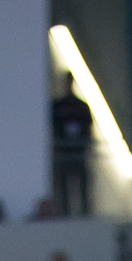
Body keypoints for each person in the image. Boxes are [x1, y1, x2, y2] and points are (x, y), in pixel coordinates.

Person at [51, 71, 94, 215]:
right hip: (63, 154)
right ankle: (65, 212)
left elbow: (88, 129)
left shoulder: (81, 107)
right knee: (63, 184)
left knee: (82, 184)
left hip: (78, 153)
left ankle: (84, 212)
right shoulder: (57, 106)